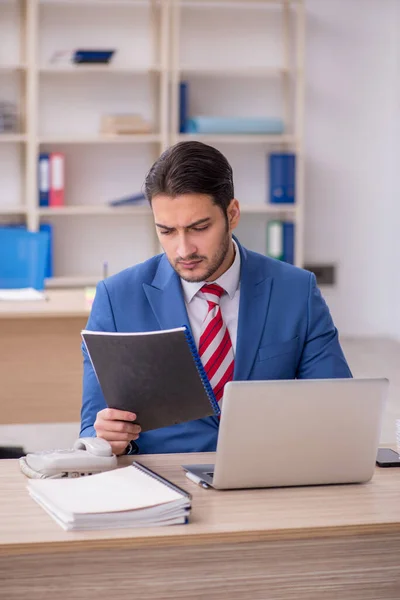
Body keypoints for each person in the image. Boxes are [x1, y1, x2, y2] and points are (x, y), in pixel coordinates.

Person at [80, 141, 352, 455]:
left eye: (199, 227)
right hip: (165, 484)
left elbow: (337, 410)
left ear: (232, 214)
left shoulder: (296, 290)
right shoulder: (116, 298)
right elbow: (91, 427)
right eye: (167, 231)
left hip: (269, 475)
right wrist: (106, 439)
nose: (184, 250)